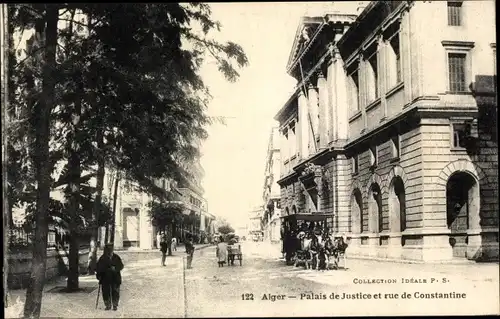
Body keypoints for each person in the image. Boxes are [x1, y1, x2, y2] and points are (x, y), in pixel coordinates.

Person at [96, 244, 124, 311]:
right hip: (105, 278)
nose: (109, 251)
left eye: (111, 249)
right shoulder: (102, 258)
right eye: (108, 249)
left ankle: (115, 305)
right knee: (106, 292)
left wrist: (115, 268)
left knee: (115, 292)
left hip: (115, 278)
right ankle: (107, 305)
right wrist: (99, 275)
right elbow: (98, 268)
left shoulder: (116, 257)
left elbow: (121, 266)